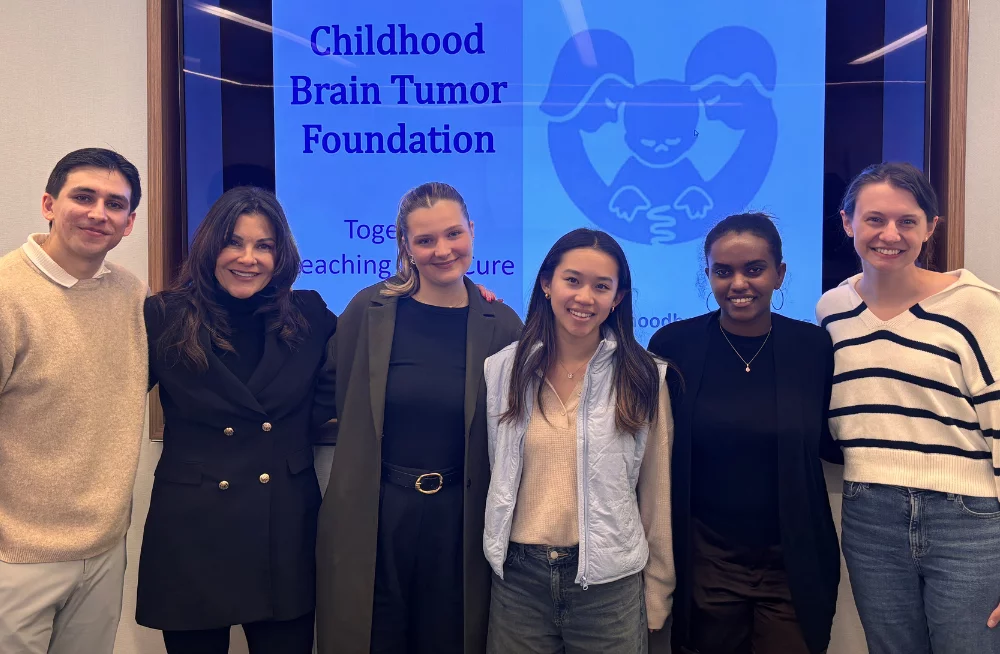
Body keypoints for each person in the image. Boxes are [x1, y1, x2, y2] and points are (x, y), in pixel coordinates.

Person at [314, 182, 523, 654]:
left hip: (460, 519)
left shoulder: (503, 324)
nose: (442, 250)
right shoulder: (368, 310)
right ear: (404, 244)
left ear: (472, 231)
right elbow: (334, 392)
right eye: (425, 240)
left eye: (454, 234)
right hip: (377, 512)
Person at [136, 186, 337, 653]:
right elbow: (105, 398)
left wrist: (457, 293)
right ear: (210, 247)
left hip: (283, 527)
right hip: (193, 531)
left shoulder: (309, 313)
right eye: (234, 242)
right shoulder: (164, 316)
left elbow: (362, 358)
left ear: (280, 254)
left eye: (263, 245)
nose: (248, 258)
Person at [817, 162, 1000, 653]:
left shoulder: (976, 306)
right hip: (869, 512)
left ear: (930, 229)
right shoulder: (832, 311)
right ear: (847, 223)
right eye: (874, 219)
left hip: (970, 520)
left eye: (907, 221)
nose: (890, 235)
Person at [647, 213, 841, 654]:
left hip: (792, 560)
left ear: (779, 274)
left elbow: (837, 438)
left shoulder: (812, 349)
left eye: (754, 269)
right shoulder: (674, 345)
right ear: (709, 275)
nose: (738, 283)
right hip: (705, 560)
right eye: (723, 271)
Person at [483, 228, 674, 654]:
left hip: (609, 588)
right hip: (519, 584)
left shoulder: (644, 376)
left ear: (617, 298)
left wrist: (659, 591)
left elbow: (656, 497)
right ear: (546, 283)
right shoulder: (501, 371)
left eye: (601, 286)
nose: (585, 297)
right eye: (572, 280)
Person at [0, 148, 147, 653]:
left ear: (129, 223)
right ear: (48, 203)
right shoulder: (5, 294)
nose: (97, 213)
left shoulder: (130, 294)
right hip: (15, 557)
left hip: (104, 548)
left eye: (114, 204)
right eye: (83, 197)